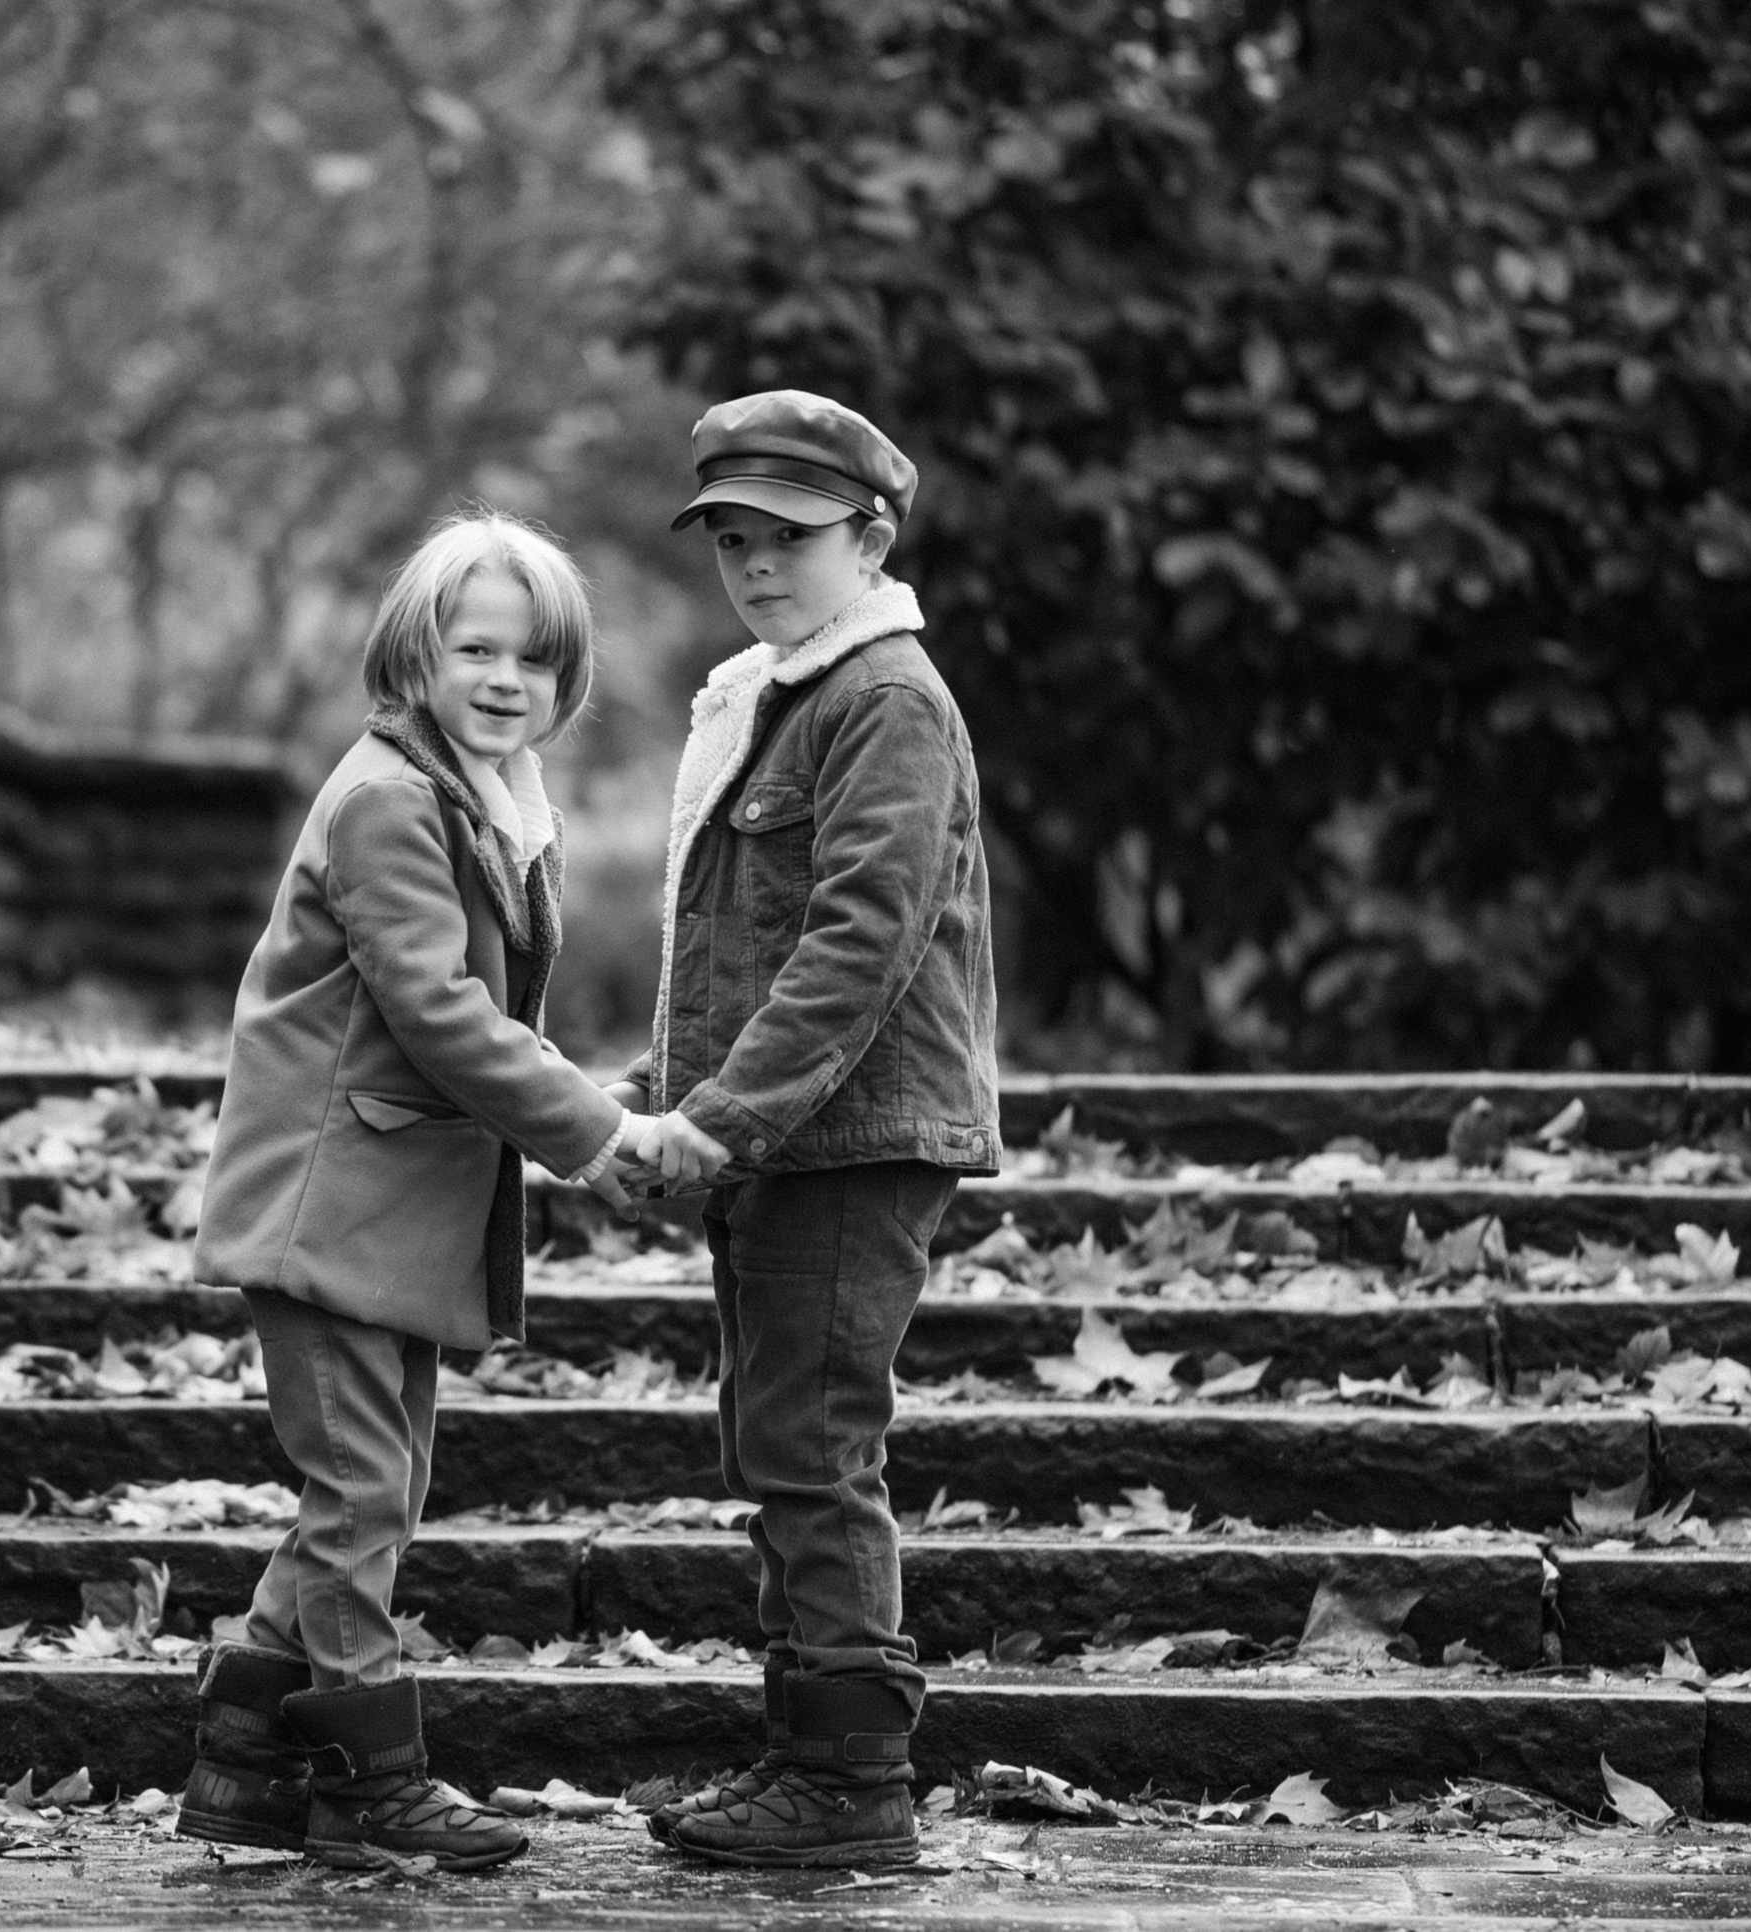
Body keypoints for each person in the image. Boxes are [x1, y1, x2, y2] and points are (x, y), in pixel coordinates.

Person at [177, 510, 649, 1872]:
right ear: (415, 655)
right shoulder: (390, 797)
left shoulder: (479, 799)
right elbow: (439, 1010)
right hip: (331, 1208)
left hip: (393, 1215)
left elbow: (482, 1005)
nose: (508, 679)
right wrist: (598, 1131)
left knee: (368, 1489)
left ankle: (246, 1768)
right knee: (366, 1493)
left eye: (537, 658)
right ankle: (374, 1783)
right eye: (476, 648)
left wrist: (584, 1092)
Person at [620, 390, 1000, 1868]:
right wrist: (669, 1101)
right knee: (777, 1435)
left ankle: (850, 1786)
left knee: (814, 1444)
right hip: (789, 1138)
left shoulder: (885, 702)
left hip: (853, 1139)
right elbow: (729, 952)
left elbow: (857, 945)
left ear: (872, 535)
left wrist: (718, 1122)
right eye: (731, 538)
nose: (757, 565)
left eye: (788, 536)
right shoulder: (777, 698)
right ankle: (815, 1758)